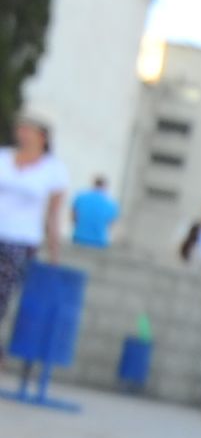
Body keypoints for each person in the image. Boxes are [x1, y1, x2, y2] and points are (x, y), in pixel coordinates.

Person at [0, 111, 68, 328]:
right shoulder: (4, 158)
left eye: (28, 129)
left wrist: (54, 252)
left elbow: (53, 214)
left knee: (3, 291)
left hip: (20, 239)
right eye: (20, 129)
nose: (22, 134)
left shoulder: (53, 169)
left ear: (42, 137)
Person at [69, 176, 118, 249]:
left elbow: (73, 217)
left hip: (79, 237)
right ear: (105, 186)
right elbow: (110, 223)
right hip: (99, 240)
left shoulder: (80, 197)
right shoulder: (111, 203)